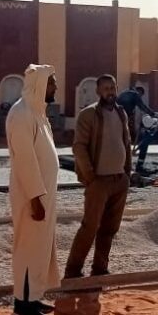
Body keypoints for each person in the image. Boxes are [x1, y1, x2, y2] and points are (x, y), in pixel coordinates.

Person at [5, 64, 60, 315]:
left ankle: (33, 296)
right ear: (39, 85)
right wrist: (36, 198)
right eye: (52, 82)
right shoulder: (21, 114)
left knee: (40, 249)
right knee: (28, 249)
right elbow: (25, 162)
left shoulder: (38, 113)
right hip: (31, 198)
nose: (56, 87)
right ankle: (23, 305)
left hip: (43, 196)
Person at [65, 74, 131, 279]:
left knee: (109, 228)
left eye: (113, 87)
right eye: (106, 88)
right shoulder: (88, 115)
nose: (110, 91)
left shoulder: (121, 113)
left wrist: (127, 173)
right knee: (90, 227)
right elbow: (79, 147)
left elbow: (127, 143)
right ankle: (73, 270)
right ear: (98, 91)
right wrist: (90, 176)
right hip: (98, 182)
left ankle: (100, 268)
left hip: (119, 180)